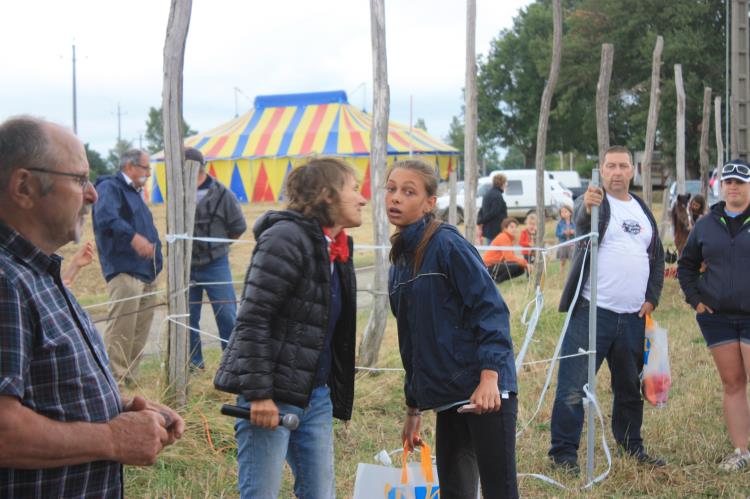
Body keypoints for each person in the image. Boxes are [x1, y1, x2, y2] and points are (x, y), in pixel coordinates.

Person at [0, 116, 184, 497]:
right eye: (81, 179)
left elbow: (42, 386)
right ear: (23, 187)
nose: (93, 195)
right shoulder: (5, 281)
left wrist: (116, 404)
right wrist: (111, 438)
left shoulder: (34, 270)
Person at [213, 157, 366, 498]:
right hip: (273, 396)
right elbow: (253, 319)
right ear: (327, 195)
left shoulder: (338, 246)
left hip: (317, 395)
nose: (363, 198)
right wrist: (259, 395)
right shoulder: (285, 238)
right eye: (354, 189)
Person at [386, 159, 518, 498]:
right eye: (391, 189)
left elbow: (490, 308)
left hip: (486, 391)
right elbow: (410, 344)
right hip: (450, 397)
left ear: (430, 203)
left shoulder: (447, 244)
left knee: (499, 491)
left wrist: (491, 376)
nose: (395, 198)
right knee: (455, 493)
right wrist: (413, 408)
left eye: (408, 191)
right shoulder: (400, 260)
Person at [550, 145, 665, 473]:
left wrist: (652, 297)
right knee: (573, 385)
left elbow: (655, 257)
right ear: (601, 170)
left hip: (632, 317)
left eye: (623, 166)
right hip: (592, 312)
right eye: (611, 166)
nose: (617, 172)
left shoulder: (642, 210)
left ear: (633, 170)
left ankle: (632, 446)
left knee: (629, 387)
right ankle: (563, 455)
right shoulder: (596, 203)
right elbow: (582, 217)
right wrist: (586, 204)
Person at [678, 160, 750, 471]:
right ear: (720, 187)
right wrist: (696, 300)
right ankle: (741, 451)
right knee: (732, 383)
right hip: (717, 317)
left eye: (740, 183)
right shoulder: (706, 224)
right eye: (728, 182)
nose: (733, 187)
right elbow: (686, 265)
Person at [93, 148, 163, 387]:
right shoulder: (109, 188)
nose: (149, 174)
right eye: (146, 168)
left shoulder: (135, 193)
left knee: (140, 328)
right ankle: (115, 381)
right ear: (130, 167)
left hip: (146, 271)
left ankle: (131, 377)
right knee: (123, 325)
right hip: (124, 269)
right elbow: (106, 219)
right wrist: (134, 238)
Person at [185, 147, 247, 370]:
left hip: (216, 264)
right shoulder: (178, 194)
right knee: (187, 318)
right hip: (185, 267)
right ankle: (193, 365)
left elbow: (238, 227)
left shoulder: (223, 194)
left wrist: (218, 246)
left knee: (227, 315)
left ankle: (232, 366)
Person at [483, 217, 531, 284]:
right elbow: (509, 258)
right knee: (517, 266)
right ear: (505, 228)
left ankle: (495, 281)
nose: (514, 229)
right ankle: (495, 281)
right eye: (511, 227)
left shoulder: (509, 238)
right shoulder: (503, 237)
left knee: (520, 268)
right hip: (489, 267)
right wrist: (525, 263)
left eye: (515, 227)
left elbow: (510, 258)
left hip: (496, 265)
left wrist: (523, 264)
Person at [477, 173, 508, 244]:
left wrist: (480, 221)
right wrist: (481, 220)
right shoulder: (497, 195)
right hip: (496, 230)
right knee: (495, 252)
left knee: (491, 249)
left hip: (489, 229)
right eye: (505, 182)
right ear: (501, 183)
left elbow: (482, 210)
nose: (506, 185)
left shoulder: (487, 193)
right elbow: (494, 212)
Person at [555, 206, 575, 274]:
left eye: (565, 211)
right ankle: (561, 273)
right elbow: (557, 233)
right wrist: (563, 233)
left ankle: (571, 273)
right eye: (562, 212)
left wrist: (573, 232)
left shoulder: (574, 223)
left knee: (572, 259)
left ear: (570, 213)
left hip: (572, 245)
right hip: (563, 244)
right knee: (562, 260)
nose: (563, 213)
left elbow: (578, 232)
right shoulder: (559, 223)